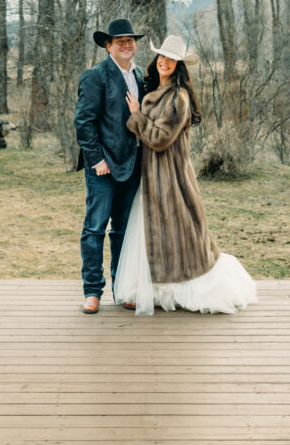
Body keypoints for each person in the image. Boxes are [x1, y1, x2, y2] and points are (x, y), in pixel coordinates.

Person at [114, 34, 257, 315]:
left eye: (171, 59)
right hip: (153, 177)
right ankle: (155, 288)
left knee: (182, 234)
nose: (165, 62)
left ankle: (184, 288)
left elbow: (159, 138)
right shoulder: (156, 92)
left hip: (172, 177)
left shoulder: (178, 97)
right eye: (162, 57)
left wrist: (135, 115)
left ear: (179, 66)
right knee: (155, 233)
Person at [74, 18, 145, 314]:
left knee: (123, 232)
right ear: (108, 46)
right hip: (102, 168)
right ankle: (92, 291)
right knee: (95, 229)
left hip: (132, 165)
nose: (127, 45)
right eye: (120, 41)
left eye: (130, 40)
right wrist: (97, 161)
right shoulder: (96, 76)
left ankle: (122, 288)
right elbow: (84, 122)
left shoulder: (140, 75)